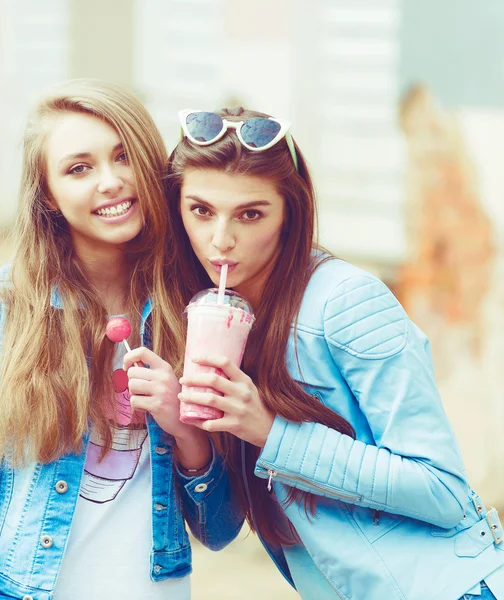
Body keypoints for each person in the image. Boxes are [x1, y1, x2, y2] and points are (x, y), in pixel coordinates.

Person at [0, 82, 241, 600]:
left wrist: (184, 428)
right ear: (47, 192)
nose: (110, 182)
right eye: (79, 168)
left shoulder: (197, 311)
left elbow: (220, 529)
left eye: (123, 157)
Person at [164, 108, 504, 600]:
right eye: (200, 211)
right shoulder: (210, 320)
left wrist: (270, 431)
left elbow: (443, 490)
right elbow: (218, 533)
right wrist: (187, 436)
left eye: (251, 214)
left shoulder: (346, 301)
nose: (221, 240)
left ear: (290, 214)